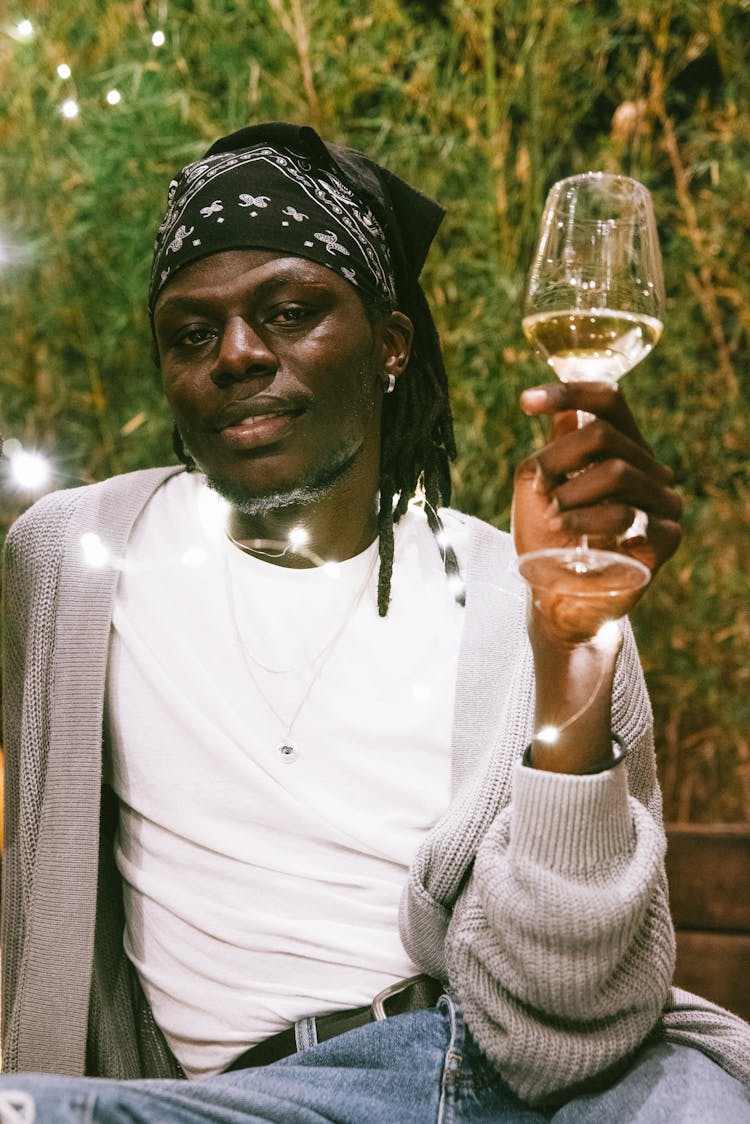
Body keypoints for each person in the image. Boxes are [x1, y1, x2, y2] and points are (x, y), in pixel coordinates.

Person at [1, 122, 748, 1123]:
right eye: (190, 331)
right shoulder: (71, 559)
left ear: (390, 346)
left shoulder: (507, 586)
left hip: (484, 1068)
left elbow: (570, 1020)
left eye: (291, 311)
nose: (234, 353)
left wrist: (572, 656)